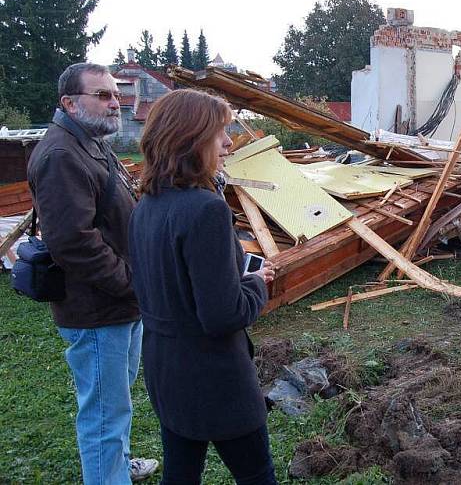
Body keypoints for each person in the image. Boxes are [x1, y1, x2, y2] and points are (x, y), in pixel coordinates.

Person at [128, 89, 277, 484]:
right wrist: (255, 283)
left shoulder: (147, 204)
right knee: (256, 475)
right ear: (190, 140)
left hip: (165, 368)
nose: (229, 143)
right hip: (215, 376)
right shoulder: (205, 209)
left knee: (180, 473)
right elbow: (222, 315)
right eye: (220, 133)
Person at [26, 63, 159, 483]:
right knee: (104, 411)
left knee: (114, 401)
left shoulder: (90, 143)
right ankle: (107, 475)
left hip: (119, 304)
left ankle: (115, 465)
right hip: (98, 309)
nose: (113, 103)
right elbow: (73, 243)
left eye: (115, 95)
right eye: (101, 95)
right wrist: (131, 284)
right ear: (69, 102)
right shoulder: (62, 154)